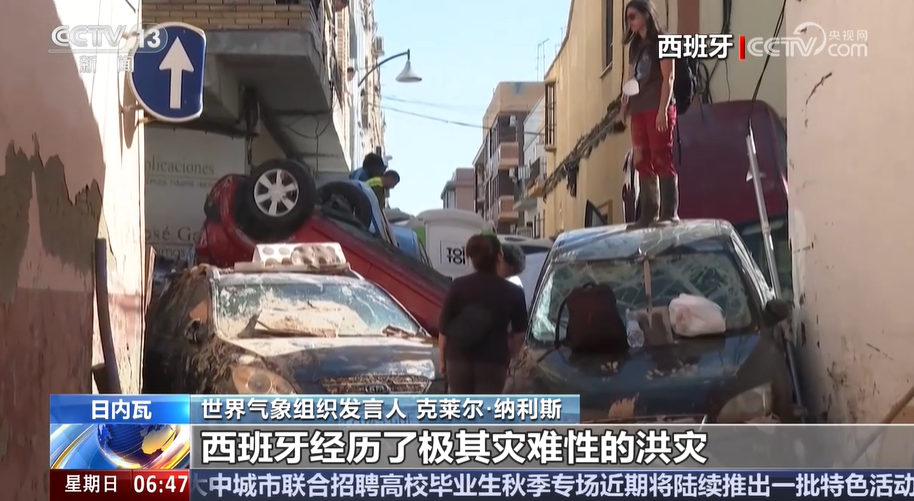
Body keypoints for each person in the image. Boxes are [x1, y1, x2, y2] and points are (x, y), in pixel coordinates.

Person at [438, 234, 528, 394]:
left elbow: (444, 328)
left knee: (460, 407)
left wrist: (442, 361)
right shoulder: (514, 292)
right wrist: (511, 359)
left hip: (458, 360)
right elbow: (519, 334)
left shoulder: (457, 286)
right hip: (493, 362)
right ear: (499, 256)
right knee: (487, 407)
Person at [619, 0, 679, 227]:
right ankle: (648, 213)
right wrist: (624, 107)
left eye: (633, 16)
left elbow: (669, 78)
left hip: (658, 107)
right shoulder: (634, 47)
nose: (630, 22)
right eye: (627, 18)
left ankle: (669, 213)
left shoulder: (664, 40)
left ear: (646, 14)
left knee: (661, 156)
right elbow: (631, 79)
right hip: (639, 108)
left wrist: (663, 110)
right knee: (641, 159)